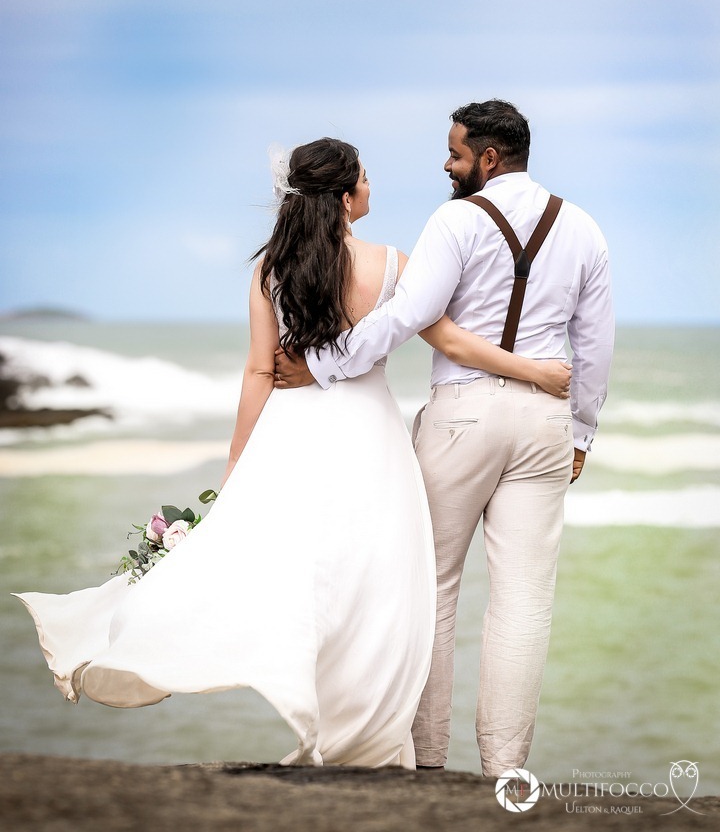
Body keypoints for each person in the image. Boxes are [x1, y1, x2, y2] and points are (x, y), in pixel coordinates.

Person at [14, 136, 572, 769]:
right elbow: (454, 343)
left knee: (290, 576)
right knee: (375, 588)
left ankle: (299, 709)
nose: (371, 186)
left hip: (292, 433)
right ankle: (365, 737)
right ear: (344, 196)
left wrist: (235, 469)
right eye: (365, 177)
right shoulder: (393, 264)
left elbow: (259, 372)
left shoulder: (270, 267)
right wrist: (536, 372)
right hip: (370, 438)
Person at [276, 104, 614, 777]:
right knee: (523, 600)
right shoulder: (583, 227)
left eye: (455, 153)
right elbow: (595, 344)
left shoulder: (456, 222)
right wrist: (581, 430)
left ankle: (428, 764)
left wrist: (321, 364)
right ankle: (506, 769)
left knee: (431, 589)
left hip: (461, 416)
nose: (446, 164)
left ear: (489, 159)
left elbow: (409, 315)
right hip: (546, 419)